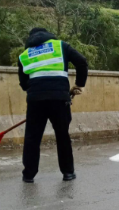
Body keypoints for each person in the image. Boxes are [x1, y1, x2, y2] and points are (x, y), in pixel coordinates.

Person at [18, 28, 88, 183]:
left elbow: (23, 83)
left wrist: (36, 90)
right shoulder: (60, 46)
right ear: (48, 35)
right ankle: (68, 173)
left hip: (35, 100)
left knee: (32, 138)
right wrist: (79, 84)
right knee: (62, 135)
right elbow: (82, 62)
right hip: (59, 99)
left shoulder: (25, 54)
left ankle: (28, 175)